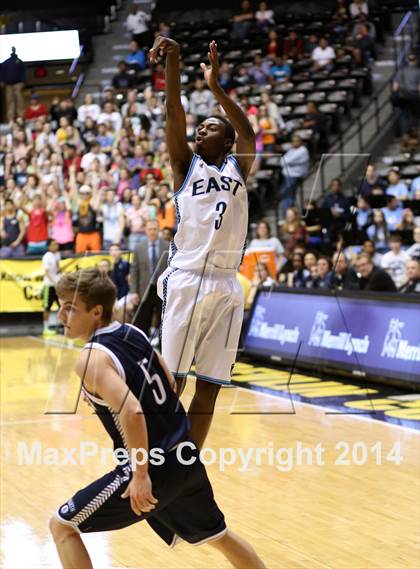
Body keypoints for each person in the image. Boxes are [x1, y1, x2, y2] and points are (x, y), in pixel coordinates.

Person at [50, 268, 265, 569]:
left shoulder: (90, 359)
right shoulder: (133, 333)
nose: (60, 315)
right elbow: (171, 385)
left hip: (152, 468)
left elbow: (133, 411)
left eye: (69, 308)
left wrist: (140, 475)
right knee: (220, 535)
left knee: (62, 526)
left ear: (96, 311)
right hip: (185, 460)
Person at [149, 36, 255, 448]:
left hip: (227, 285)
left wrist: (215, 88)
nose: (199, 132)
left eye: (209, 128)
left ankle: (187, 466)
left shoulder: (238, 170)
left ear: (225, 143)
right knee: (170, 382)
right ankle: (154, 459)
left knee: (209, 388)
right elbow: (173, 112)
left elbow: (246, 130)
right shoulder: (184, 167)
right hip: (188, 279)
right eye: (199, 128)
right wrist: (173, 62)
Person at [130, 219, 168, 339]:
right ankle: (142, 353)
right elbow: (134, 271)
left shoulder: (167, 246)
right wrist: (133, 291)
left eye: (155, 229)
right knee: (142, 324)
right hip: (144, 290)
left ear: (159, 230)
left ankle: (163, 353)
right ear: (146, 230)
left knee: (164, 323)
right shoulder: (138, 248)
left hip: (162, 290)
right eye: (150, 229)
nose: (152, 231)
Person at [279, 135, 310, 218]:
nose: (294, 143)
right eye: (293, 141)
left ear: (300, 142)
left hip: (295, 176)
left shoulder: (303, 150)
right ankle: (287, 215)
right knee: (286, 195)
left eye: (296, 141)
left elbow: (286, 161)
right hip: (288, 175)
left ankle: (287, 216)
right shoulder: (292, 150)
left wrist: (287, 162)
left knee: (288, 196)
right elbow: (282, 161)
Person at [0, 47, 26, 122]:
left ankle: (20, 117)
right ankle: (11, 118)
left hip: (18, 83)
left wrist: (23, 82)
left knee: (18, 100)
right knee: (11, 102)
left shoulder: (19, 62)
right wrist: (2, 80)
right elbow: (2, 72)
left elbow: (23, 72)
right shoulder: (6, 62)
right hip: (9, 84)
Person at [42, 239, 61, 336]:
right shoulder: (47, 256)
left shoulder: (57, 255)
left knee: (62, 306)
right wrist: (54, 282)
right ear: (48, 246)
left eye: (56, 244)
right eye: (53, 244)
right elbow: (46, 272)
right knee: (47, 307)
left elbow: (58, 269)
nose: (55, 246)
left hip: (57, 285)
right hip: (49, 285)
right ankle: (46, 328)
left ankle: (65, 327)